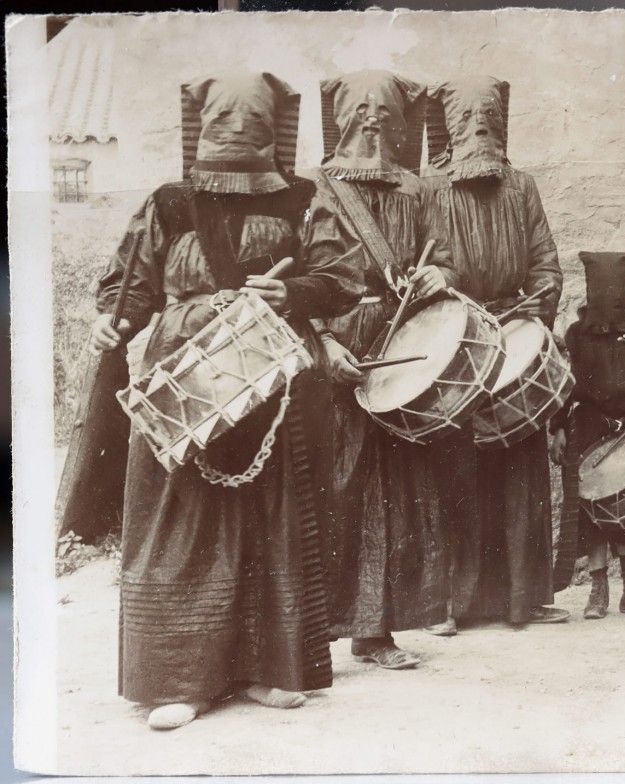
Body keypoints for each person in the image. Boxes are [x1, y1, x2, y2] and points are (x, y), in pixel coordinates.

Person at [94, 73, 363, 730]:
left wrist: (294, 293)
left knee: (269, 523)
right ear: (203, 121)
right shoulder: (170, 202)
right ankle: (178, 682)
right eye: (226, 117)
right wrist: (115, 319)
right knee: (179, 528)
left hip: (273, 384)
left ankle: (267, 670)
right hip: (182, 380)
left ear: (275, 126)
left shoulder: (304, 199)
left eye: (254, 119)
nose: (240, 128)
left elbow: (343, 278)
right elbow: (132, 283)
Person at [303, 70, 455, 670]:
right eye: (360, 112)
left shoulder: (416, 191)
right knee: (330, 485)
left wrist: (440, 275)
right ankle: (311, 629)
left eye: (385, 114)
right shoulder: (311, 188)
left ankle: (376, 632)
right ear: (339, 118)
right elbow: (293, 283)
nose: (373, 122)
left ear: (400, 122)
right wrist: (320, 341)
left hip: (398, 345)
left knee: (396, 492)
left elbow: (444, 257)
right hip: (334, 347)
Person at [422, 76, 568, 630]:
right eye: (466, 118)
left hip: (513, 336)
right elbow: (428, 262)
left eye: (489, 117)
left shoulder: (522, 187)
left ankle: (522, 599)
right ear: (449, 126)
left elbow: (545, 261)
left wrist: (535, 314)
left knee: (519, 475)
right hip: (456, 341)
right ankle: (450, 603)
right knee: (455, 473)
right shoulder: (430, 186)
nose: (478, 127)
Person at [551, 252, 625, 619]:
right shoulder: (578, 335)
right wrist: (557, 428)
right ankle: (598, 589)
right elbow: (564, 386)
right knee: (593, 508)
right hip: (589, 425)